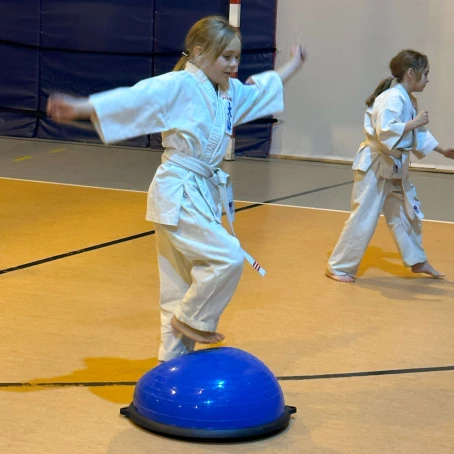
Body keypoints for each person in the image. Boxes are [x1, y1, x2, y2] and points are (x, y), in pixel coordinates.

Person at [47, 16, 306, 361]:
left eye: (237, 58)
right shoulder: (179, 85)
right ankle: (192, 319)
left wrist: (293, 65)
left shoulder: (227, 93)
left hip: (196, 192)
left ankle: (170, 366)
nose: (233, 65)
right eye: (226, 57)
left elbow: (261, 89)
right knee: (227, 258)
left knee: (178, 288)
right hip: (179, 190)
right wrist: (82, 108)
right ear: (199, 53)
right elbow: (134, 99)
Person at [325, 49, 454, 283]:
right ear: (411, 73)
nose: (428, 79)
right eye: (425, 73)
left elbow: (418, 134)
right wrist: (414, 122)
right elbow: (384, 131)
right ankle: (338, 266)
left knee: (407, 211)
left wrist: (442, 150)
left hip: (394, 166)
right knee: (364, 216)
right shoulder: (391, 98)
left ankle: (417, 260)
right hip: (374, 165)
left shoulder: (408, 99)